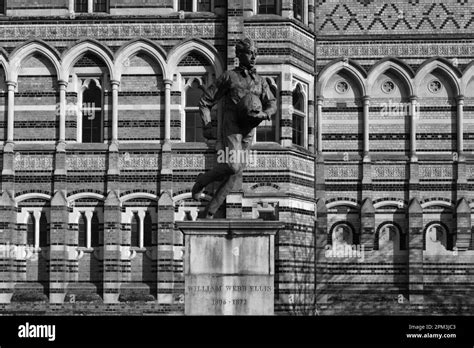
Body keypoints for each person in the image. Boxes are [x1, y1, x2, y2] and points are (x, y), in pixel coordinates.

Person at [191, 37, 277, 218]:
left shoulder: (260, 81)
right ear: (239, 55)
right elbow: (205, 101)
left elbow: (272, 103)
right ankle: (202, 181)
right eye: (249, 53)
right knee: (232, 166)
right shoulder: (229, 77)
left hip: (249, 130)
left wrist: (266, 113)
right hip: (232, 128)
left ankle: (210, 211)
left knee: (236, 173)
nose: (253, 57)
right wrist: (207, 125)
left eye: (255, 53)